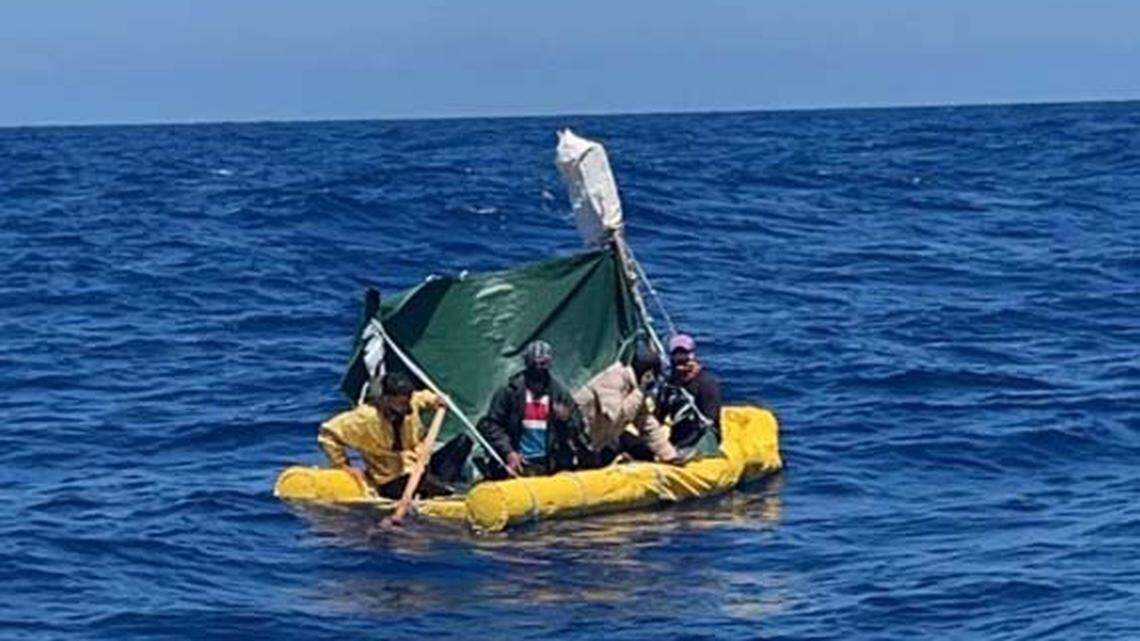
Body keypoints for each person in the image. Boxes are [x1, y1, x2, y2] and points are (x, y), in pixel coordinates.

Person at [317, 371, 450, 500]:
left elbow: (421, 397)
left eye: (407, 401)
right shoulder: (365, 418)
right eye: (401, 403)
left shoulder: (410, 403)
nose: (406, 408)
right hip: (391, 478)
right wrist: (343, 465)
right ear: (386, 399)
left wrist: (435, 400)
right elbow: (328, 433)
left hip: (419, 464)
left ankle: (442, 485)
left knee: (462, 443)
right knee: (442, 492)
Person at [477, 340, 592, 477]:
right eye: (534, 365)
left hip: (549, 466)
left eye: (543, 365)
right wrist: (508, 452)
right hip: (519, 464)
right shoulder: (510, 392)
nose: (538, 370)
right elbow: (490, 425)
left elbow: (577, 427)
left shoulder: (559, 394)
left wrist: (566, 419)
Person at [573, 345, 679, 464]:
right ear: (648, 374)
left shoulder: (634, 389)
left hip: (595, 442)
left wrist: (670, 456)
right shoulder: (612, 380)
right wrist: (640, 391)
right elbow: (616, 417)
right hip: (574, 440)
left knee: (641, 450)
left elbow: (647, 424)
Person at [656, 333, 722, 457]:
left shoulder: (706, 383)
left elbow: (708, 421)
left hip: (702, 441)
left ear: (692, 355)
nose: (681, 358)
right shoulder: (670, 384)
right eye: (677, 354)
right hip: (677, 440)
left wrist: (684, 449)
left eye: (685, 354)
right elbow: (659, 414)